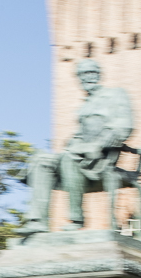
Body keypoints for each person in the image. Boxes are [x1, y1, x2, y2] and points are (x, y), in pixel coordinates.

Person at [20, 59, 134, 233]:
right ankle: (37, 221)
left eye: (91, 73)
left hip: (101, 158)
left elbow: (124, 127)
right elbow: (80, 134)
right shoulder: (86, 104)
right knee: (40, 159)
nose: (87, 78)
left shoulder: (115, 94)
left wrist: (98, 145)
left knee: (69, 159)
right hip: (77, 152)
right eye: (82, 74)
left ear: (98, 74)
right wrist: (73, 143)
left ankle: (76, 218)